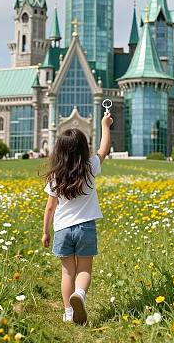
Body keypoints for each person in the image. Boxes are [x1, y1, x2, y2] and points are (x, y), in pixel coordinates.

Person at [41, 112, 113, 324]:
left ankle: (68, 313)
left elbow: (49, 208)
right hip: (86, 228)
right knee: (84, 268)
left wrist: (45, 232)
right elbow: (104, 149)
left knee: (67, 273)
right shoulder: (90, 167)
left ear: (59, 152)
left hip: (63, 230)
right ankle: (80, 295)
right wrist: (105, 125)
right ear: (83, 148)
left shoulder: (56, 175)